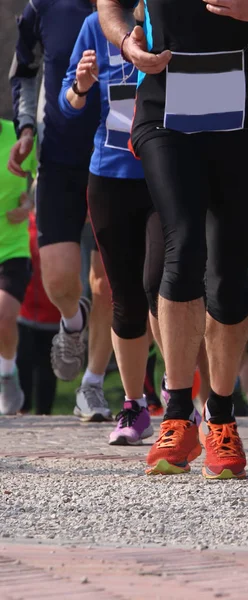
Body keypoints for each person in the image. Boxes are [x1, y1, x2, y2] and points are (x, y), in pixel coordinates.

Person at [98, 0, 248, 479]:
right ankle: (176, 414)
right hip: (164, 105)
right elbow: (110, 5)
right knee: (184, 240)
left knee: (230, 272)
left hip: (241, 108)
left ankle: (220, 415)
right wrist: (124, 40)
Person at [8, 0, 114, 422]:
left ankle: (92, 387)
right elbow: (26, 69)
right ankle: (73, 321)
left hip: (118, 158)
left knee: (106, 283)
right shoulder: (44, 6)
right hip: (59, 158)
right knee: (58, 278)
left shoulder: (130, 8)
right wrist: (26, 128)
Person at [60, 5, 159, 445]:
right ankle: (134, 406)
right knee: (123, 296)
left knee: (166, 287)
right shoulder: (94, 26)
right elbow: (68, 103)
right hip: (112, 173)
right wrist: (81, 86)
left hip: (166, 172)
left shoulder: (170, 15)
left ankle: (181, 403)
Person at [0, 118, 36, 415]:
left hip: (12, 248)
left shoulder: (18, 134)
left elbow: (44, 176)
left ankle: (7, 375)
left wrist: (29, 206)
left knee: (3, 315)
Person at [17, 211, 60, 415]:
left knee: (47, 370)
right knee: (22, 362)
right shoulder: (23, 223)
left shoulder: (62, 226)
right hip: (23, 311)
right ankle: (21, 410)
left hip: (53, 314)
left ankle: (45, 413)